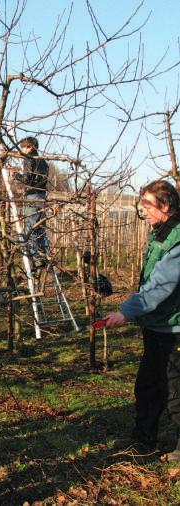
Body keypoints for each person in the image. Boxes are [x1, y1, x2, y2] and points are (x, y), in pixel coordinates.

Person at [105, 180, 180, 460]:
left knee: (174, 391)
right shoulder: (161, 233)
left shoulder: (178, 239)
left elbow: (160, 286)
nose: (143, 211)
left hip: (174, 327)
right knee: (149, 385)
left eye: (147, 206)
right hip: (158, 324)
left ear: (166, 206)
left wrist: (126, 311)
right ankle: (143, 439)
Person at [14, 137, 49, 270]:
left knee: (30, 228)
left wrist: (15, 175)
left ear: (31, 147)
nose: (21, 150)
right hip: (42, 197)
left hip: (33, 197)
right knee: (40, 229)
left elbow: (27, 179)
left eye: (23, 147)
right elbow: (39, 180)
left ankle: (35, 260)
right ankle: (44, 256)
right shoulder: (43, 162)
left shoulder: (30, 159)